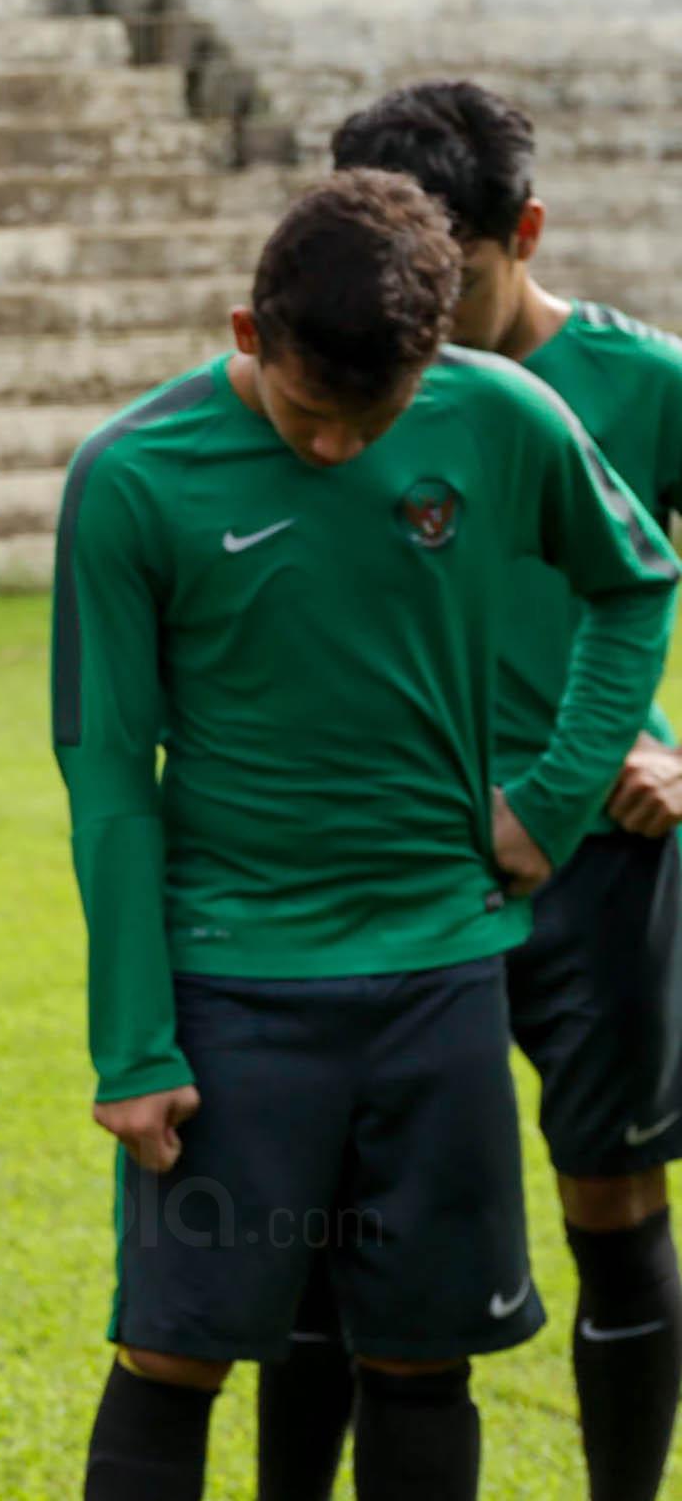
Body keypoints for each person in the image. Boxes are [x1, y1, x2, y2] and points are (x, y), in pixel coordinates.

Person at [57, 169, 680, 1501]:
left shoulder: (505, 415)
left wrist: (557, 798)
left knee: (422, 1360)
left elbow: (636, 583)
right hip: (234, 993)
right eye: (304, 411)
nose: (336, 448)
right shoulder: (131, 477)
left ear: (433, 355)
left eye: (373, 415)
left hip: (440, 984)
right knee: (170, 1354)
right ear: (246, 335)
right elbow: (107, 771)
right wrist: (133, 1040)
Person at [233, 81, 682, 1501]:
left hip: (593, 860)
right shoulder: (334, 383)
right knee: (325, 1227)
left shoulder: (646, 385)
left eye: (453, 272)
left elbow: (634, 582)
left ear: (523, 233)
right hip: (387, 873)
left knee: (609, 1200)